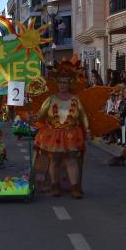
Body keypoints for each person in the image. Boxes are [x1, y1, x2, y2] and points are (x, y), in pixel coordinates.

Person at [34, 68, 90, 199]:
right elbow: (40, 114)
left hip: (71, 134)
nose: (62, 85)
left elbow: (83, 116)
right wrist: (32, 117)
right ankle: (55, 186)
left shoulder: (75, 99)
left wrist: (87, 130)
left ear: (69, 84)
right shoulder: (51, 99)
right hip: (53, 133)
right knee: (54, 160)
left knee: (71, 160)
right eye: (60, 83)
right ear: (57, 84)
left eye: (65, 83)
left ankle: (75, 187)